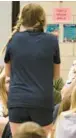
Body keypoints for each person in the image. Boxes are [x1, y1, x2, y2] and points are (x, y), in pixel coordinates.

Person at [3, 3, 60, 136]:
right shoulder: (52, 40)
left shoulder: (13, 40)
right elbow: (56, 76)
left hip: (18, 100)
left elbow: (7, 74)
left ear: (22, 19)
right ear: (42, 19)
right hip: (42, 100)